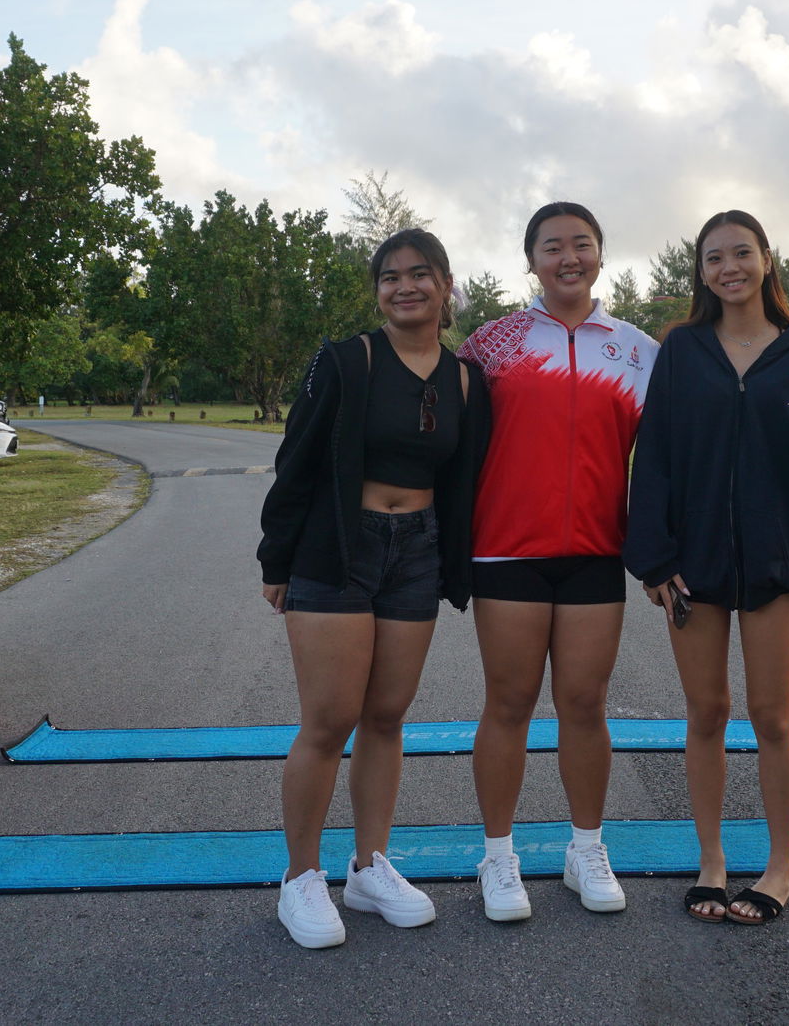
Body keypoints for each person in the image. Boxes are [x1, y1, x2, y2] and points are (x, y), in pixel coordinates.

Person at [623, 210, 789, 926]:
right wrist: (653, 558)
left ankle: (780, 867)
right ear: (700, 271)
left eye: (741, 253)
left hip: (775, 555)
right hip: (691, 561)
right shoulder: (683, 349)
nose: (728, 266)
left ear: (766, 259)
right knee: (706, 712)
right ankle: (711, 862)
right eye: (713, 257)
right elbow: (656, 455)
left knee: (770, 715)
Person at [258, 229, 490, 949]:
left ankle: (368, 867)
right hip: (340, 545)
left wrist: (457, 565)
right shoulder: (346, 359)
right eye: (390, 277)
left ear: (446, 285)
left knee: (387, 715)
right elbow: (295, 459)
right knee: (329, 720)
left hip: (416, 551)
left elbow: (464, 480)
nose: (405, 287)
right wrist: (278, 559)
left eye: (420, 274)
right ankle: (301, 878)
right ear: (377, 291)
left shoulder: (464, 380)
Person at [455, 201, 657, 921]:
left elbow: (665, 463)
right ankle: (499, 856)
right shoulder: (492, 343)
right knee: (509, 703)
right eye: (552, 246)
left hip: (596, 555)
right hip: (506, 549)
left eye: (581, 244)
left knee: (584, 704)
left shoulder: (637, 350)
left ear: (600, 254)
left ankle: (585, 847)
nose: (567, 257)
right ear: (531, 259)